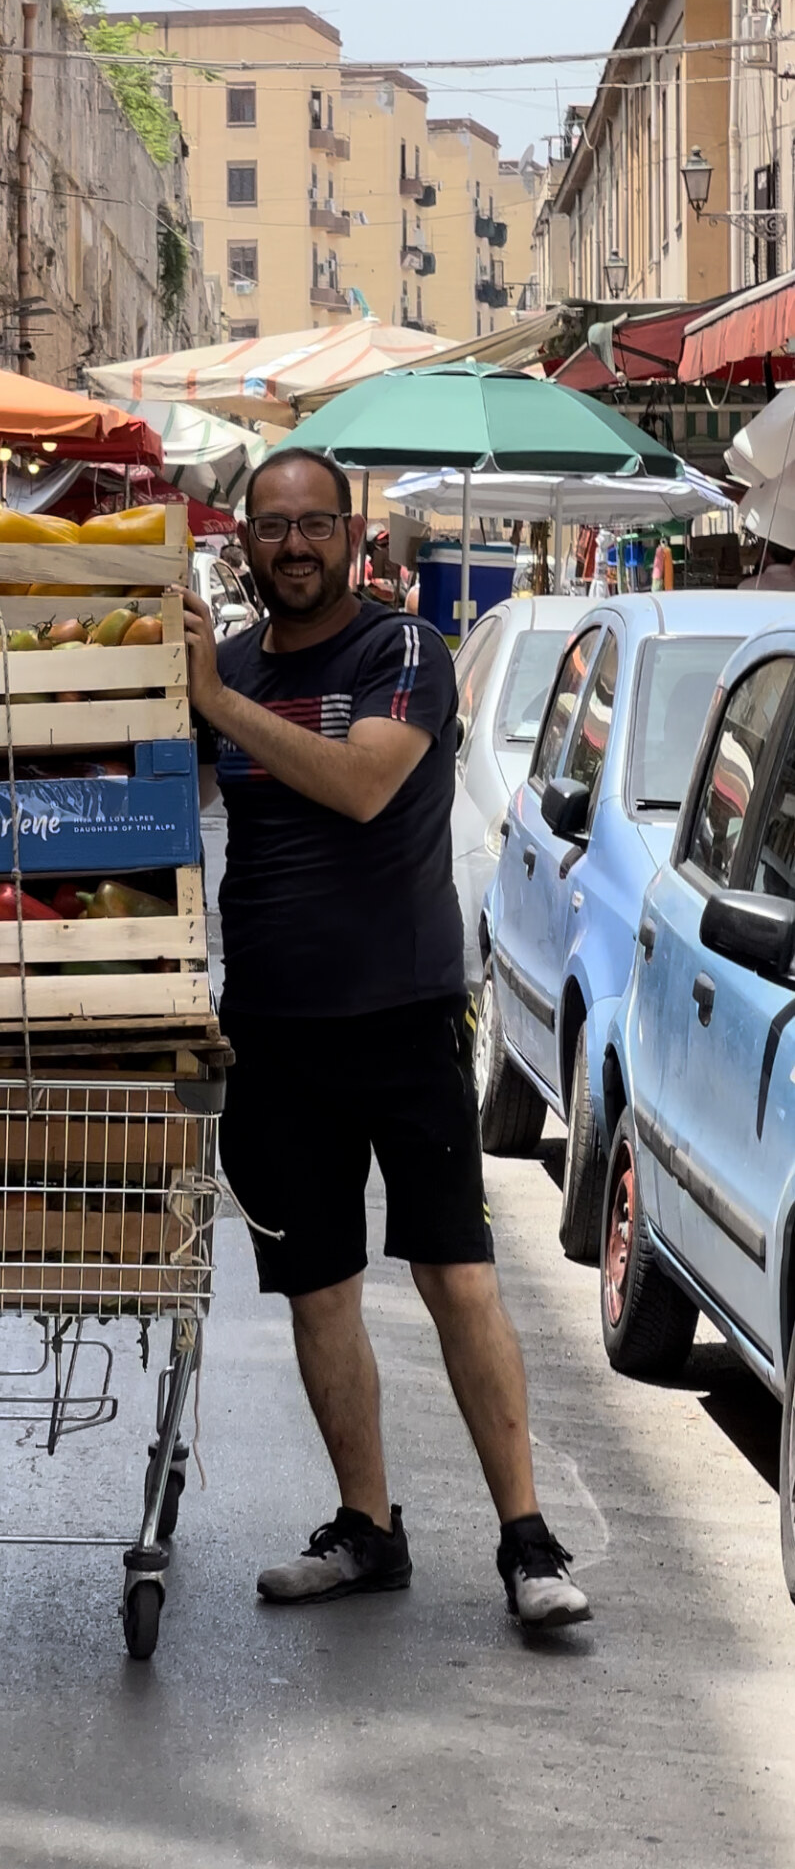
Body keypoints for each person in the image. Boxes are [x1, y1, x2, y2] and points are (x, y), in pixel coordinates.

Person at [183, 447, 591, 1629]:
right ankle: (367, 1529)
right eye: (273, 527)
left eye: (316, 525)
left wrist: (213, 701)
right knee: (317, 1290)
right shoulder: (238, 662)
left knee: (454, 1274)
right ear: (245, 543)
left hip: (402, 1016)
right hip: (268, 1026)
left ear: (352, 539)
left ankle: (526, 1541)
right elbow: (172, 794)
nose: (295, 546)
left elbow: (362, 785)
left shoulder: (399, 651)